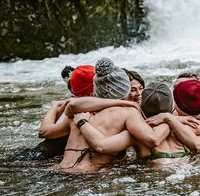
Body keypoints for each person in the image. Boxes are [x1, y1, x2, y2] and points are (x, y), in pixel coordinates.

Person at [38, 58, 171, 173]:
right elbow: (152, 141)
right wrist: (170, 118)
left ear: (97, 90)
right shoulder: (129, 113)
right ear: (125, 88)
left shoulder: (79, 110)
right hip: (85, 176)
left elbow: (47, 130)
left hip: (58, 170)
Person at [73, 81, 200, 167]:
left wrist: (81, 120)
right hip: (186, 168)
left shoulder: (138, 131)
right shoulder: (191, 125)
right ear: (172, 105)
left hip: (156, 174)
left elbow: (102, 146)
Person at [33, 64, 95, 159]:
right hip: (40, 157)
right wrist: (56, 106)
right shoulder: (73, 107)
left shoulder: (74, 104)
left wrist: (56, 106)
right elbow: (43, 132)